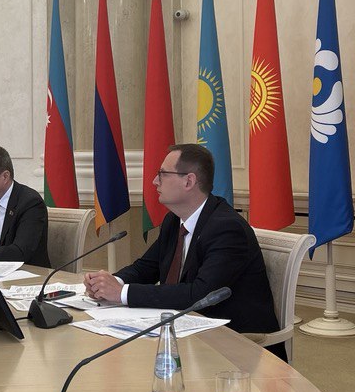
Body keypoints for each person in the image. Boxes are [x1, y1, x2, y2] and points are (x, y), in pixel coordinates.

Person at [83, 143, 279, 336]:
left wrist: (122, 293)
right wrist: (107, 284)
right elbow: (145, 268)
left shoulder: (227, 228)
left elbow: (200, 294)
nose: (154, 181)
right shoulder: (174, 220)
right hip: (190, 330)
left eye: (162, 174)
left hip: (234, 341)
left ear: (188, 181)